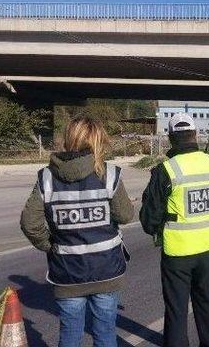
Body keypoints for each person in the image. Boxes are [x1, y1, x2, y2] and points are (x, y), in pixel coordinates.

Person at [20, 116, 134, 347]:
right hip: (107, 270)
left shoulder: (47, 177)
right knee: (105, 335)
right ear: (99, 141)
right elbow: (126, 215)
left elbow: (30, 223)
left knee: (70, 335)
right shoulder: (109, 174)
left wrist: (50, 245)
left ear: (69, 139)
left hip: (67, 273)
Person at [140, 112, 209, 347]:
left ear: (171, 138)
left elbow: (148, 218)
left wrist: (158, 229)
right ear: (195, 136)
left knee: (176, 309)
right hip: (208, 249)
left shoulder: (166, 170)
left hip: (177, 254)